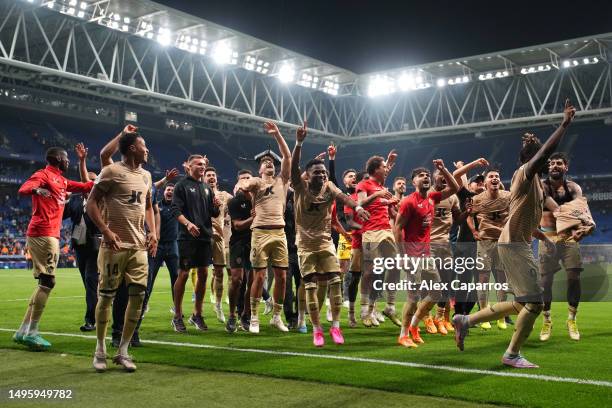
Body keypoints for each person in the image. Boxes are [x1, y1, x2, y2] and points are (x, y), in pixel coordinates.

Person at [453, 99, 576, 368]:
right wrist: (564, 124)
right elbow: (543, 154)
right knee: (534, 304)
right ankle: (511, 354)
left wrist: (548, 236)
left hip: (516, 243)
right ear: (531, 159)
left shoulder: (537, 186)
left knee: (522, 304)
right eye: (538, 156)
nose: (543, 159)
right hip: (514, 247)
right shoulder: (524, 174)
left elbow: (532, 217)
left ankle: (465, 320)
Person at [291, 122, 368, 346]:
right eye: (318, 172)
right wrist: (299, 143)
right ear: (307, 175)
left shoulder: (329, 187)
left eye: (324, 172)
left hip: (325, 243)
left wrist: (358, 207)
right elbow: (294, 165)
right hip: (304, 244)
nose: (322, 175)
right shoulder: (300, 186)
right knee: (310, 286)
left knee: (335, 281)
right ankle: (316, 330)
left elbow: (344, 198)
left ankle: (335, 327)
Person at [87, 130, 157, 372]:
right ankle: (100, 349)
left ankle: (123, 351)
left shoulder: (147, 176)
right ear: (131, 149)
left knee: (138, 297)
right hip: (113, 245)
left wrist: (153, 232)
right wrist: (105, 230)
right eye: (143, 145)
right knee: (106, 297)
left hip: (139, 246)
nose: (147, 149)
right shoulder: (111, 171)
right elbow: (90, 203)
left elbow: (148, 205)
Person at [13, 146, 94, 350]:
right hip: (44, 233)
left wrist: (106, 180)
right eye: (66, 158)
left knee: (44, 282)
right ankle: (32, 332)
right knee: (48, 281)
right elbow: (23, 188)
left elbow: (86, 187)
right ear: (58, 158)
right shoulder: (43, 174)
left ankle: (23, 331)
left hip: (49, 234)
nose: (68, 162)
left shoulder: (62, 180)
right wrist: (36, 189)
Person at [394, 161, 459, 348]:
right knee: (413, 297)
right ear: (413, 181)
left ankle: (414, 325)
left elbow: (455, 187)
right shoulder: (408, 202)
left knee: (437, 291)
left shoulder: (432, 198)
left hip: (426, 254)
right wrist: (402, 256)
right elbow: (398, 229)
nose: (425, 176)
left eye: (426, 174)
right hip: (412, 256)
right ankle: (403, 335)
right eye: (420, 175)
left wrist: (443, 170)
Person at [238, 121, 292, 334]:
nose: (269, 163)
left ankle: (277, 317)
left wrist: (277, 134)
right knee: (259, 277)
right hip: (260, 232)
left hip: (279, 231)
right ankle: (253, 317)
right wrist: (244, 186)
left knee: (282, 277)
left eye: (271, 162)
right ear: (259, 169)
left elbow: (287, 157)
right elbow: (245, 185)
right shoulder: (256, 182)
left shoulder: (282, 181)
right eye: (265, 162)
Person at [171, 155, 220, 333]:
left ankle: (197, 314)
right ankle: (177, 315)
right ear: (188, 166)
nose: (202, 166)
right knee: (183, 274)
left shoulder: (207, 188)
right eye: (199, 164)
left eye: (204, 164)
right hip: (186, 236)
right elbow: (175, 209)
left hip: (205, 236)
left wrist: (217, 206)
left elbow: (213, 214)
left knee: (204, 273)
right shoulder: (181, 186)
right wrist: (188, 224)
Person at [538, 152, 584, 341]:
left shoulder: (573, 187)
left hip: (568, 237)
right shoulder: (542, 186)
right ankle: (547, 320)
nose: (554, 166)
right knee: (546, 282)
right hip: (547, 236)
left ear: (566, 167)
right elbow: (559, 209)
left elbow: (581, 210)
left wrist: (582, 227)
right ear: (548, 167)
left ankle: (571, 318)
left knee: (574, 276)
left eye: (559, 163)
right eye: (552, 163)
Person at [356, 151, 399, 327]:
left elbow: (384, 175)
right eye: (383, 166)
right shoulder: (364, 185)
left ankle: (388, 306)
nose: (386, 169)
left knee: (395, 266)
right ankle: (365, 310)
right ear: (375, 169)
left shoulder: (381, 185)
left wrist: (389, 203)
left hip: (386, 230)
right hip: (371, 231)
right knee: (370, 272)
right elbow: (360, 204)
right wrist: (377, 196)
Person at [63, 143, 99, 332]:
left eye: (92, 181)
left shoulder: (100, 200)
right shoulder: (76, 201)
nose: (89, 183)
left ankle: (91, 320)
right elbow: (63, 216)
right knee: (88, 283)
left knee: (91, 281)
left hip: (96, 246)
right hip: (80, 246)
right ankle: (100, 308)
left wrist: (82, 160)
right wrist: (67, 199)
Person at [468, 169, 511, 330]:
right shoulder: (477, 199)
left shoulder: (508, 196)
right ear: (485, 182)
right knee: (483, 278)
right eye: (491, 176)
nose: (494, 178)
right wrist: (474, 231)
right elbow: (468, 215)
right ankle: (485, 314)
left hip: (503, 241)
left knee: (502, 279)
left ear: (499, 182)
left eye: (497, 177)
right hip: (485, 241)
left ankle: (500, 315)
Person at [135, 182, 180, 335]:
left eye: (173, 190)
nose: (170, 192)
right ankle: (142, 308)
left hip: (173, 245)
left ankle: (177, 311)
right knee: (149, 280)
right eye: (168, 189)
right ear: (164, 192)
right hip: (157, 246)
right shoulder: (156, 206)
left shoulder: (178, 208)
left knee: (177, 279)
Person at [428, 168, 464, 335]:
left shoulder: (452, 197)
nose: (442, 180)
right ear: (433, 178)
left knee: (447, 282)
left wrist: (467, 213)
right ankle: (426, 317)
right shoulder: (426, 195)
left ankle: (440, 318)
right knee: (430, 284)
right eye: (439, 177)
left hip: (445, 245)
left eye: (445, 178)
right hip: (427, 245)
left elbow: (457, 219)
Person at [227, 170, 256, 332]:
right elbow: (237, 225)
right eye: (242, 179)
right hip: (238, 243)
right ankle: (232, 315)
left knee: (252, 281)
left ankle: (246, 314)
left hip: (255, 242)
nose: (246, 180)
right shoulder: (234, 202)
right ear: (238, 184)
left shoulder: (259, 200)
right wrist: (254, 218)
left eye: (248, 178)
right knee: (237, 280)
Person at [203, 167, 233, 323]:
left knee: (220, 273)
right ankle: (197, 312)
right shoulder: (200, 193)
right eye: (208, 175)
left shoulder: (225, 196)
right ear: (203, 178)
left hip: (219, 237)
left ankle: (219, 306)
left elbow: (238, 201)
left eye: (213, 175)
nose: (211, 177)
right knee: (201, 273)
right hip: (202, 236)